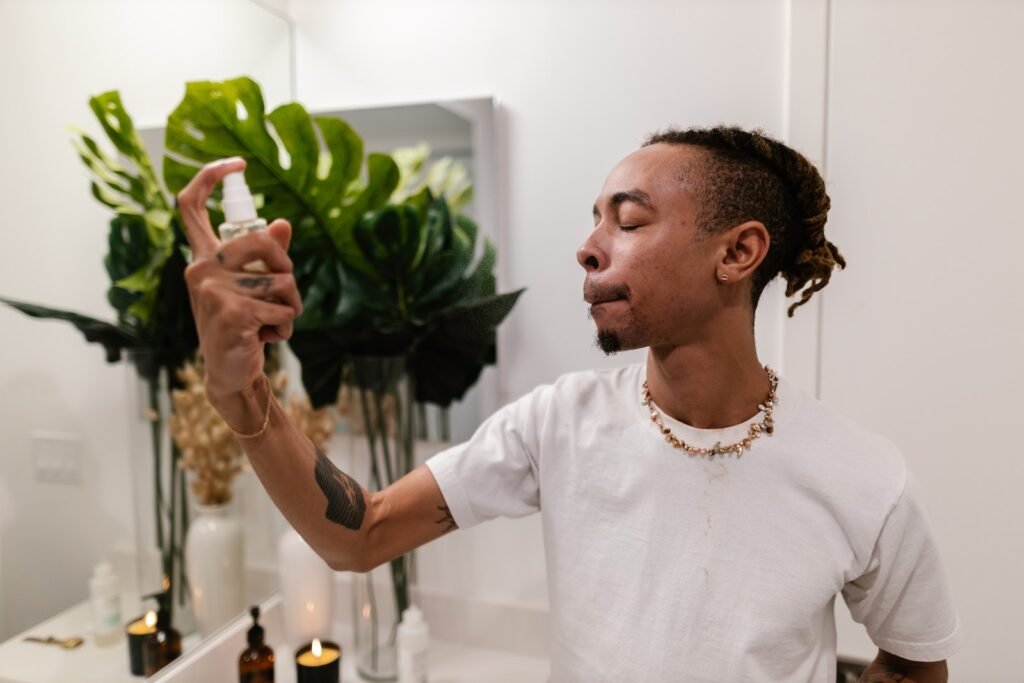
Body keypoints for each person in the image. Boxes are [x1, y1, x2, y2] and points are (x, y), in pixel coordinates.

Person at [178, 126, 961, 682]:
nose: (590, 245)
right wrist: (241, 388)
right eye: (594, 220)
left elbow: (915, 659)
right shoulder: (556, 425)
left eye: (627, 219)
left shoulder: (861, 477)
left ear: (738, 252)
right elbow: (360, 534)